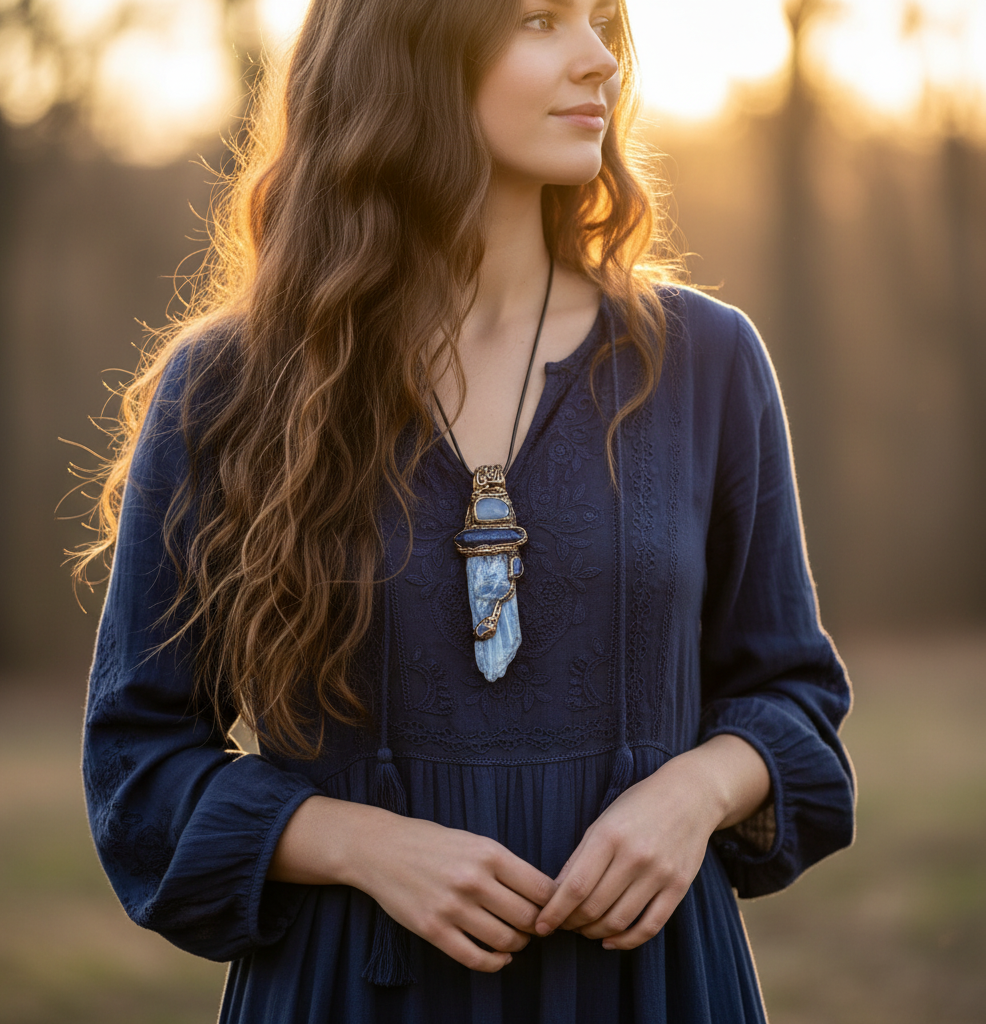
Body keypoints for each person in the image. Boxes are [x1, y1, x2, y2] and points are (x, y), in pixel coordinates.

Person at [79, 0, 856, 1021]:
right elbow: (137, 768)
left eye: (598, 21)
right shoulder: (230, 387)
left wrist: (695, 791)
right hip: (352, 987)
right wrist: (361, 843)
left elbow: (794, 702)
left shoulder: (703, 362)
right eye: (540, 20)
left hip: (650, 985)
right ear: (405, 51)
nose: (599, 60)